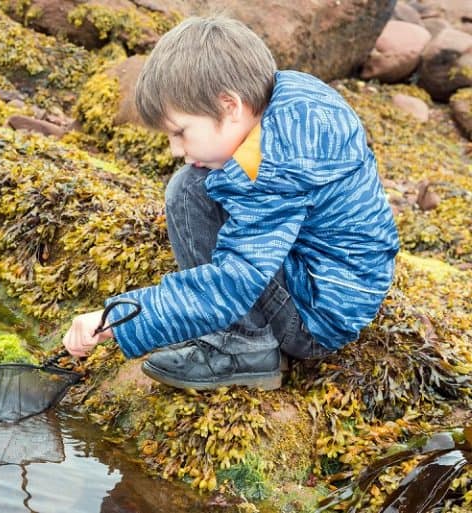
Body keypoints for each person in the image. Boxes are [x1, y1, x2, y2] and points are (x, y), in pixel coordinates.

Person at [62, 14, 400, 391]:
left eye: (180, 132)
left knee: (188, 190)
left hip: (316, 318)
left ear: (230, 106)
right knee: (195, 182)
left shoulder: (274, 167)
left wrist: (116, 319)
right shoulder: (291, 100)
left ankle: (245, 346)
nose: (176, 149)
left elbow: (232, 282)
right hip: (344, 280)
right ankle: (247, 336)